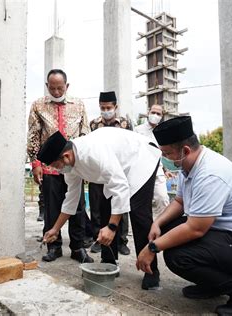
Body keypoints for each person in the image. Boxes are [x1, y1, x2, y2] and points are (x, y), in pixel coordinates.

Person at [136, 116, 232, 315]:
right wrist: (157, 222)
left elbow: (196, 229)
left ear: (185, 150)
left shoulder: (210, 173)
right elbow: (180, 202)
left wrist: (151, 248)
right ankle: (214, 284)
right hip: (225, 234)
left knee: (178, 257)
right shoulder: (189, 167)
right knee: (166, 230)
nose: (164, 158)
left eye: (167, 153)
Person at [40, 128, 162, 290]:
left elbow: (120, 186)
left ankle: (151, 270)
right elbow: (71, 199)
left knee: (139, 213)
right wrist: (55, 229)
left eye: (56, 166)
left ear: (66, 156)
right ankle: (109, 261)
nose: (57, 170)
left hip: (140, 158)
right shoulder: (70, 166)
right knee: (105, 207)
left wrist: (112, 227)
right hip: (118, 167)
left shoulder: (93, 151)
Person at [27, 69, 93, 263]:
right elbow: (33, 137)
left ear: (67, 86)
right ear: (47, 86)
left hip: (74, 165)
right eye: (52, 88)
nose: (56, 92)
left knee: (78, 208)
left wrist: (85, 164)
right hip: (50, 168)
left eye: (60, 88)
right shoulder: (38, 105)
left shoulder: (79, 105)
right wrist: (36, 163)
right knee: (51, 209)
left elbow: (85, 133)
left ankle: (78, 247)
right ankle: (54, 247)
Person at [88, 91, 132, 256]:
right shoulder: (93, 124)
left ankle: (122, 241)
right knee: (97, 208)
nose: (106, 111)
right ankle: (98, 240)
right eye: (102, 108)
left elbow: (130, 146)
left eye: (109, 107)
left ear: (115, 107)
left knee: (121, 205)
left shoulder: (125, 124)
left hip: (120, 171)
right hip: (99, 172)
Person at [134, 104, 170, 215]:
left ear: (162, 116)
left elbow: (164, 153)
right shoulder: (137, 130)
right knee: (143, 202)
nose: (155, 115)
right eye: (153, 112)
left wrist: (165, 169)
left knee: (162, 198)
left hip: (157, 169)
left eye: (158, 114)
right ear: (148, 112)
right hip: (141, 170)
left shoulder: (164, 132)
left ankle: (164, 226)